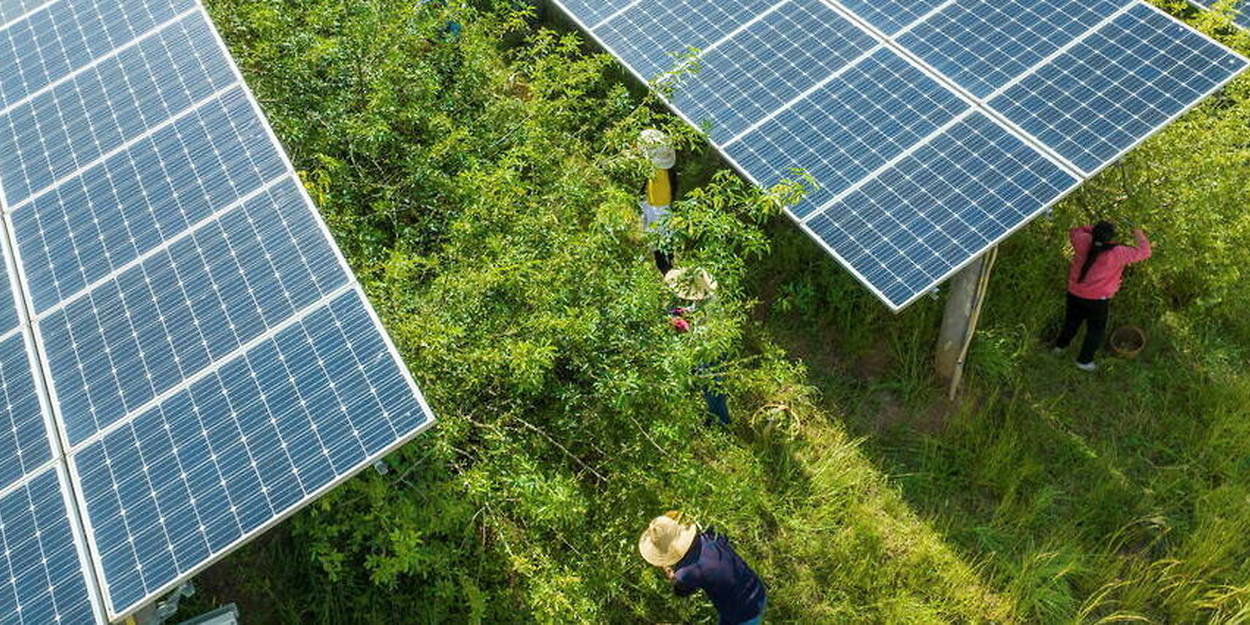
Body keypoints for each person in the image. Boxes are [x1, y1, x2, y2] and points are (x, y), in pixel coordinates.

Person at [1053, 221, 1152, 371]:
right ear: (1111, 238)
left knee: (1071, 322)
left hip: (1074, 293)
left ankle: (1060, 348)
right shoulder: (1118, 252)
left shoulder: (1082, 240)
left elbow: (1075, 229)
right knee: (1095, 330)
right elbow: (1145, 252)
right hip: (1097, 300)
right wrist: (1138, 233)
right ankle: (1084, 361)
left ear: (1094, 233)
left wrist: (1093, 229)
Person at [639, 512, 767, 625]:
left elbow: (681, 591)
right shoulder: (709, 535)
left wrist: (673, 576)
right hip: (755, 587)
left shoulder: (685, 573)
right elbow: (724, 542)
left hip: (745, 612)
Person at [639, 129, 678, 274]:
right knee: (662, 235)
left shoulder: (661, 172)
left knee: (660, 236)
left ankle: (666, 268)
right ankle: (667, 263)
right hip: (655, 203)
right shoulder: (666, 171)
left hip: (659, 206)